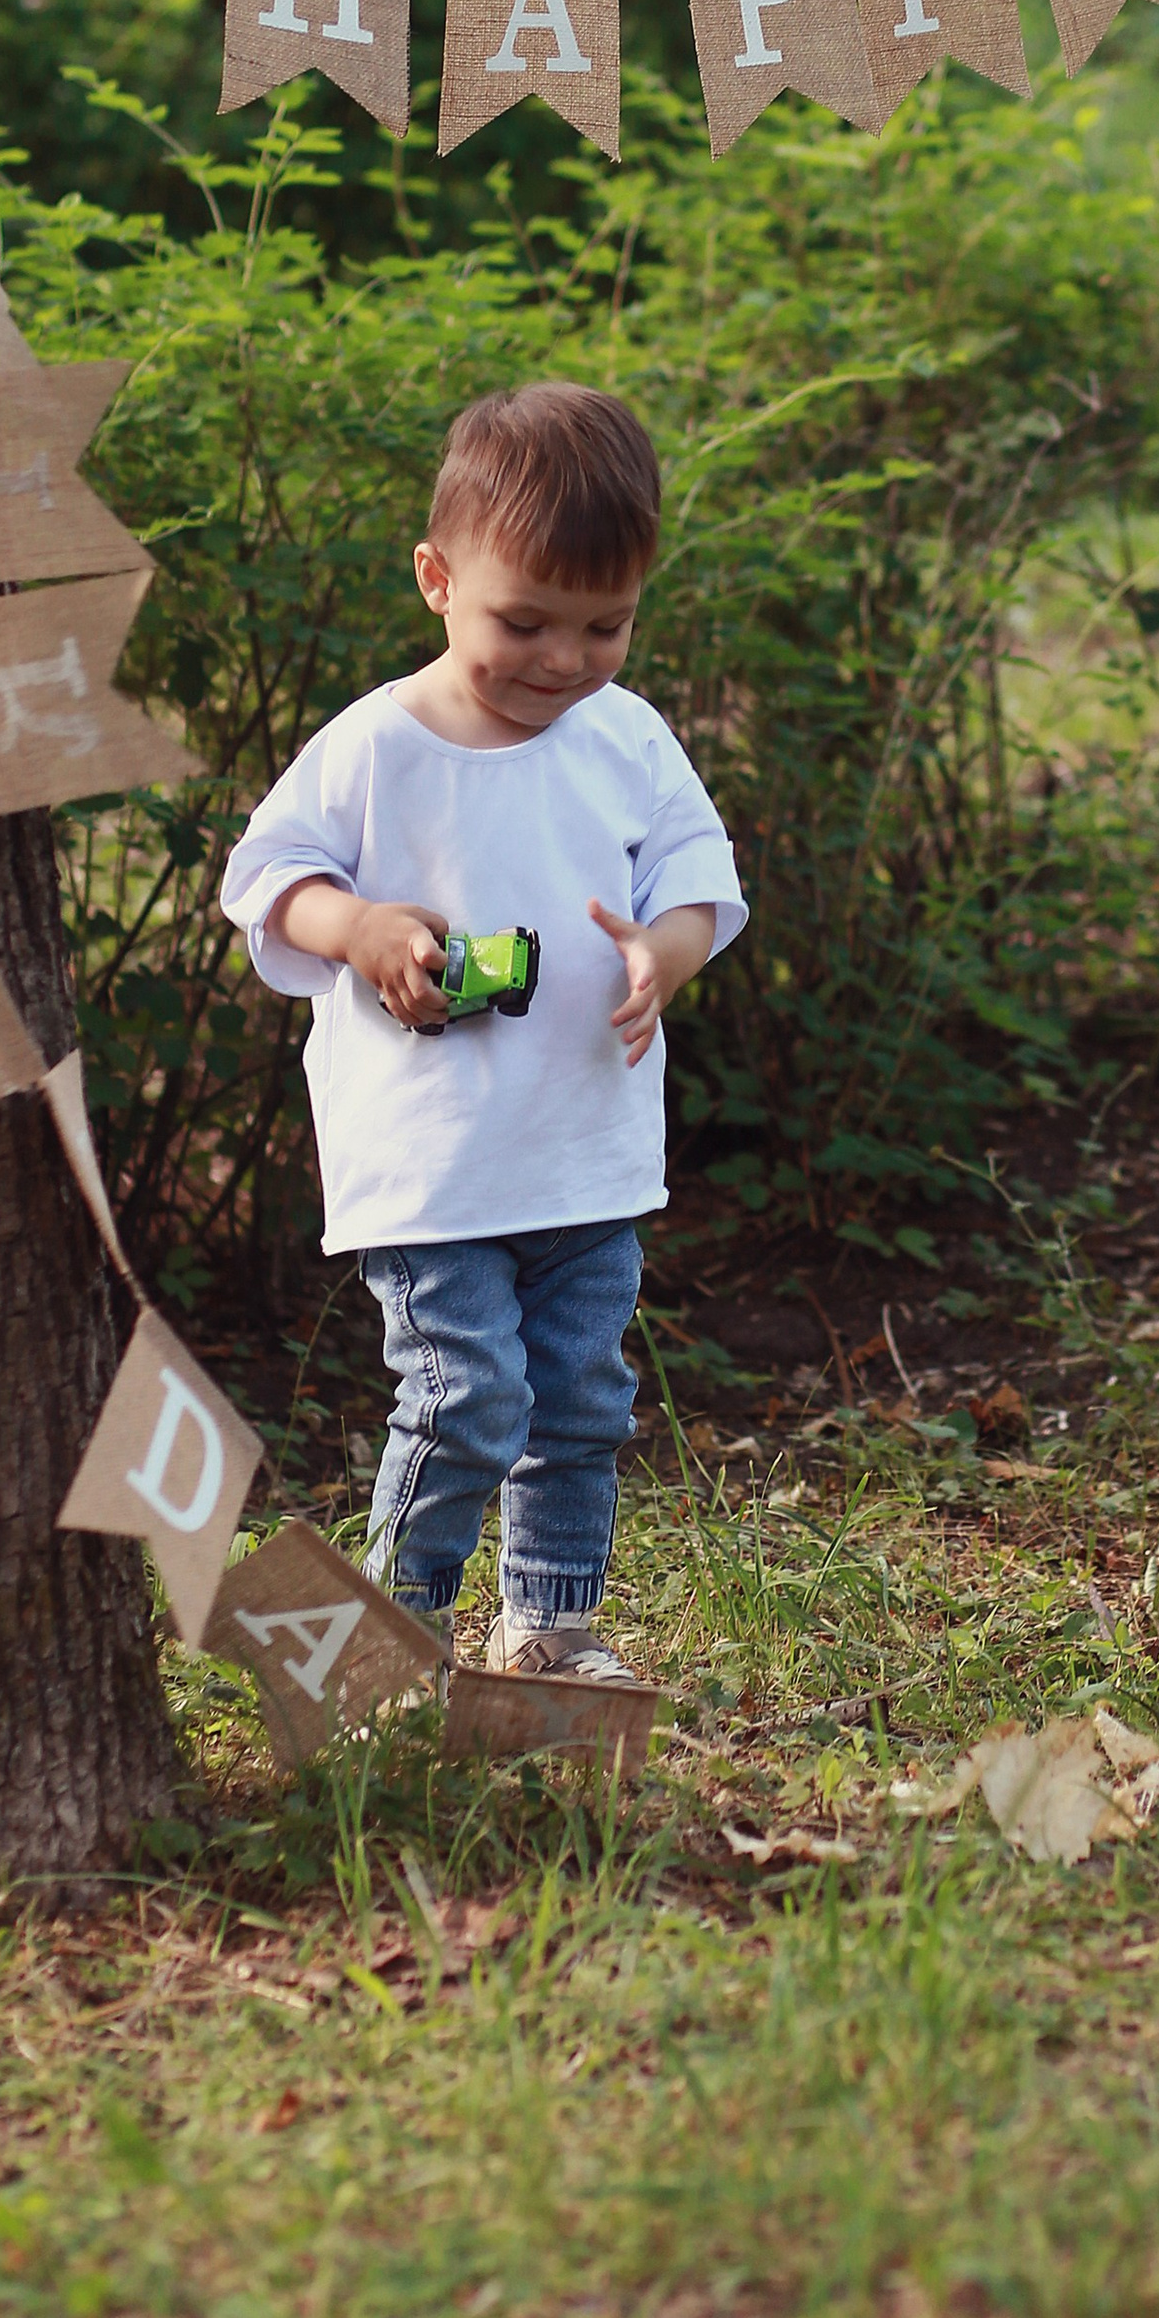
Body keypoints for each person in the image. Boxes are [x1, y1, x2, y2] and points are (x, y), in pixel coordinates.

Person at [220, 383, 744, 1684]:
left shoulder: (625, 737)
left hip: (583, 1152)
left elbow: (697, 878)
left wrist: (663, 952)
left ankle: (551, 1626)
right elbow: (267, 877)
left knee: (578, 1401)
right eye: (525, 622)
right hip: (433, 1165)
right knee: (468, 1400)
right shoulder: (375, 746)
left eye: (605, 625)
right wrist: (360, 929)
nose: (564, 659)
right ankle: (386, 1645)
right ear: (438, 580)